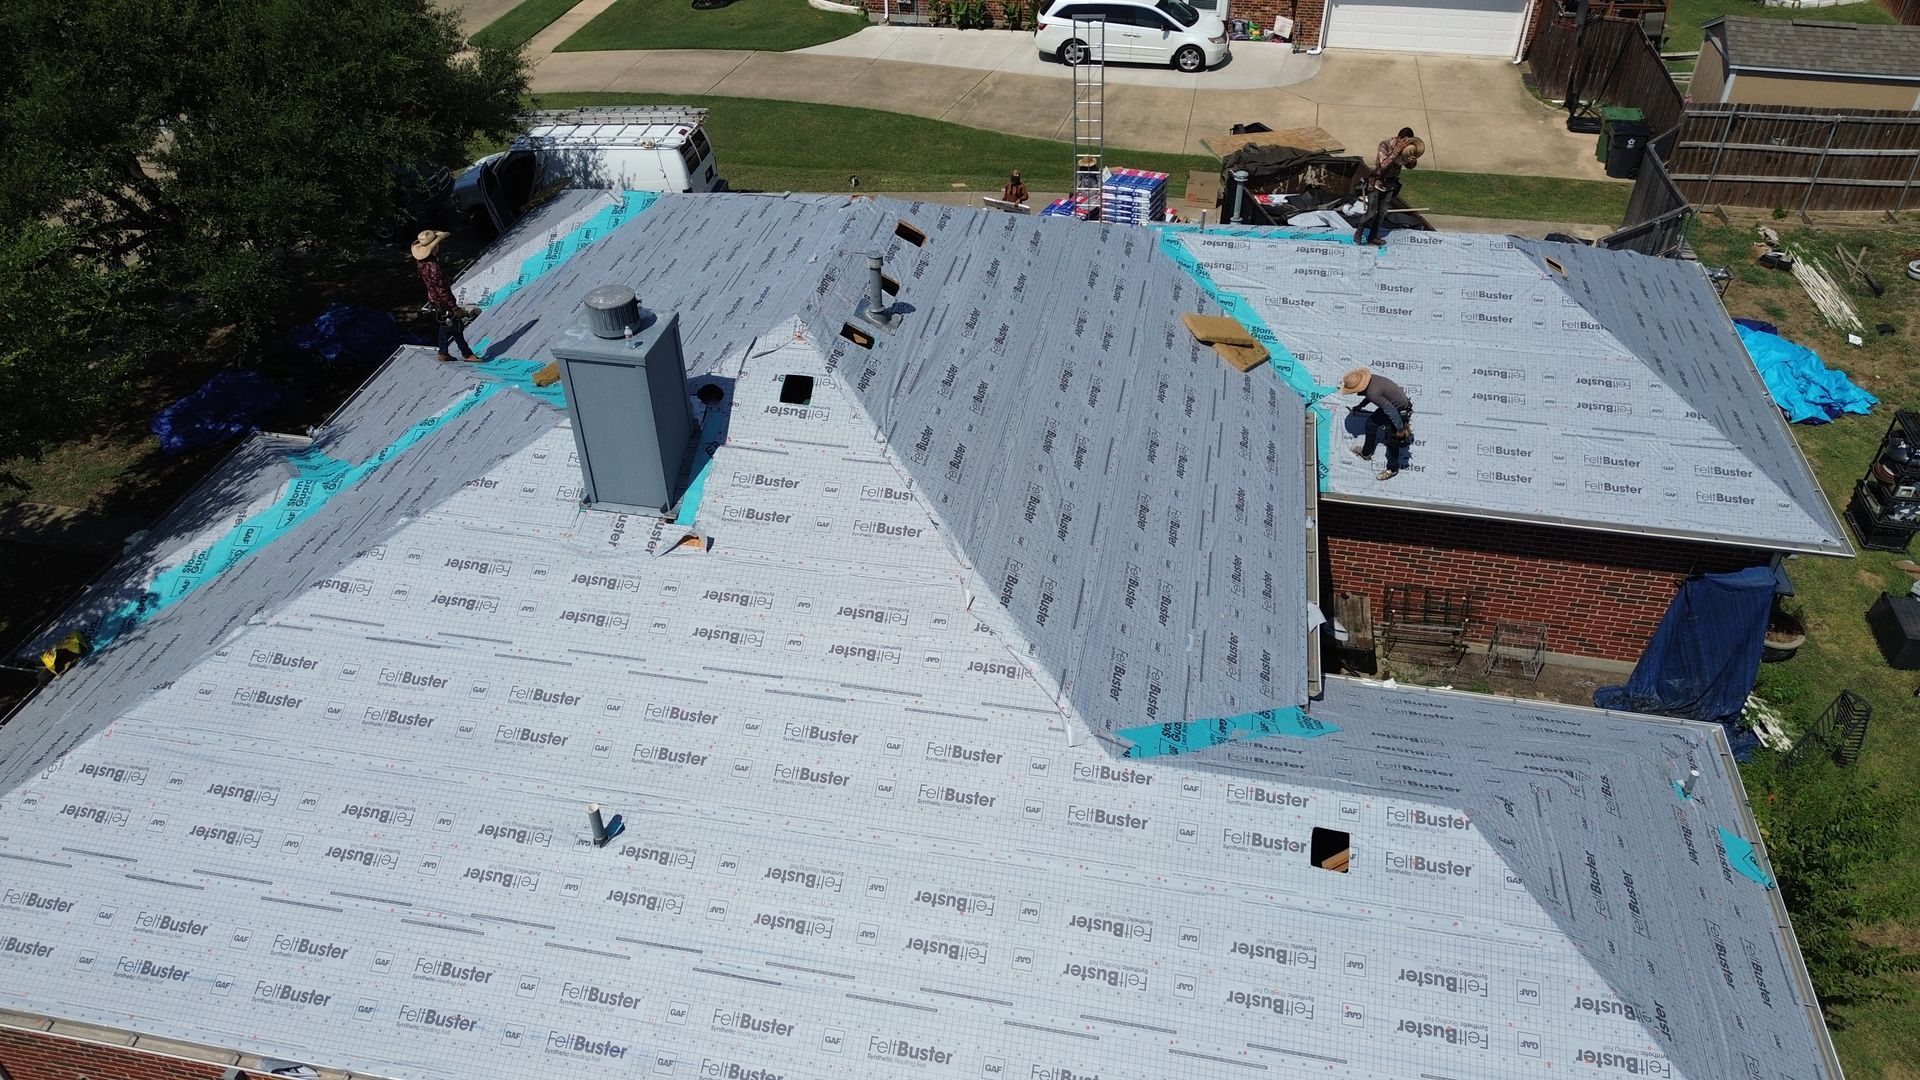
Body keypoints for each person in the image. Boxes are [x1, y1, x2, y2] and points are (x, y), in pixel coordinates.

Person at [411, 229, 480, 363]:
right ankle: (464, 354)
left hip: (434, 299)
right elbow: (442, 290)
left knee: (451, 326)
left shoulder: (421, 264)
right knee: (455, 326)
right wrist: (454, 307)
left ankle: (447, 352)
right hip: (443, 301)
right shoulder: (433, 267)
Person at [1340, 366, 1413, 481]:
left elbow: (1390, 410)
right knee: (1371, 424)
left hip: (1398, 409)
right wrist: (1361, 405)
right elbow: (1371, 395)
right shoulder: (1372, 380)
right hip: (1394, 404)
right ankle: (1366, 452)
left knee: (1393, 441)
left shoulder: (1372, 392)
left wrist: (1399, 429)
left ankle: (1392, 469)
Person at [1354, 128, 1423, 247]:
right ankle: (1358, 232)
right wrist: (1396, 151)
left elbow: (1409, 166)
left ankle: (1373, 236)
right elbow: (1383, 165)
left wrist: (1412, 160)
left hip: (1390, 185)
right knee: (1371, 213)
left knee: (1382, 213)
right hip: (1376, 183)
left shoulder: (1406, 150)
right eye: (1405, 141)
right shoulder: (1385, 145)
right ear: (1399, 138)